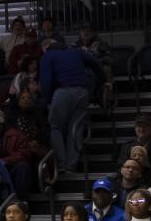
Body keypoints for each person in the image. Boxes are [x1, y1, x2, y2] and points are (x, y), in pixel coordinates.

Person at [39, 38, 103, 172]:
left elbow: (46, 81)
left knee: (55, 127)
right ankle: (71, 165)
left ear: (46, 47)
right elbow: (95, 63)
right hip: (82, 92)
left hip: (62, 92)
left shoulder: (48, 55)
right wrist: (101, 83)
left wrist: (48, 100)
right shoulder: (75, 51)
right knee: (76, 129)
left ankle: (61, 164)